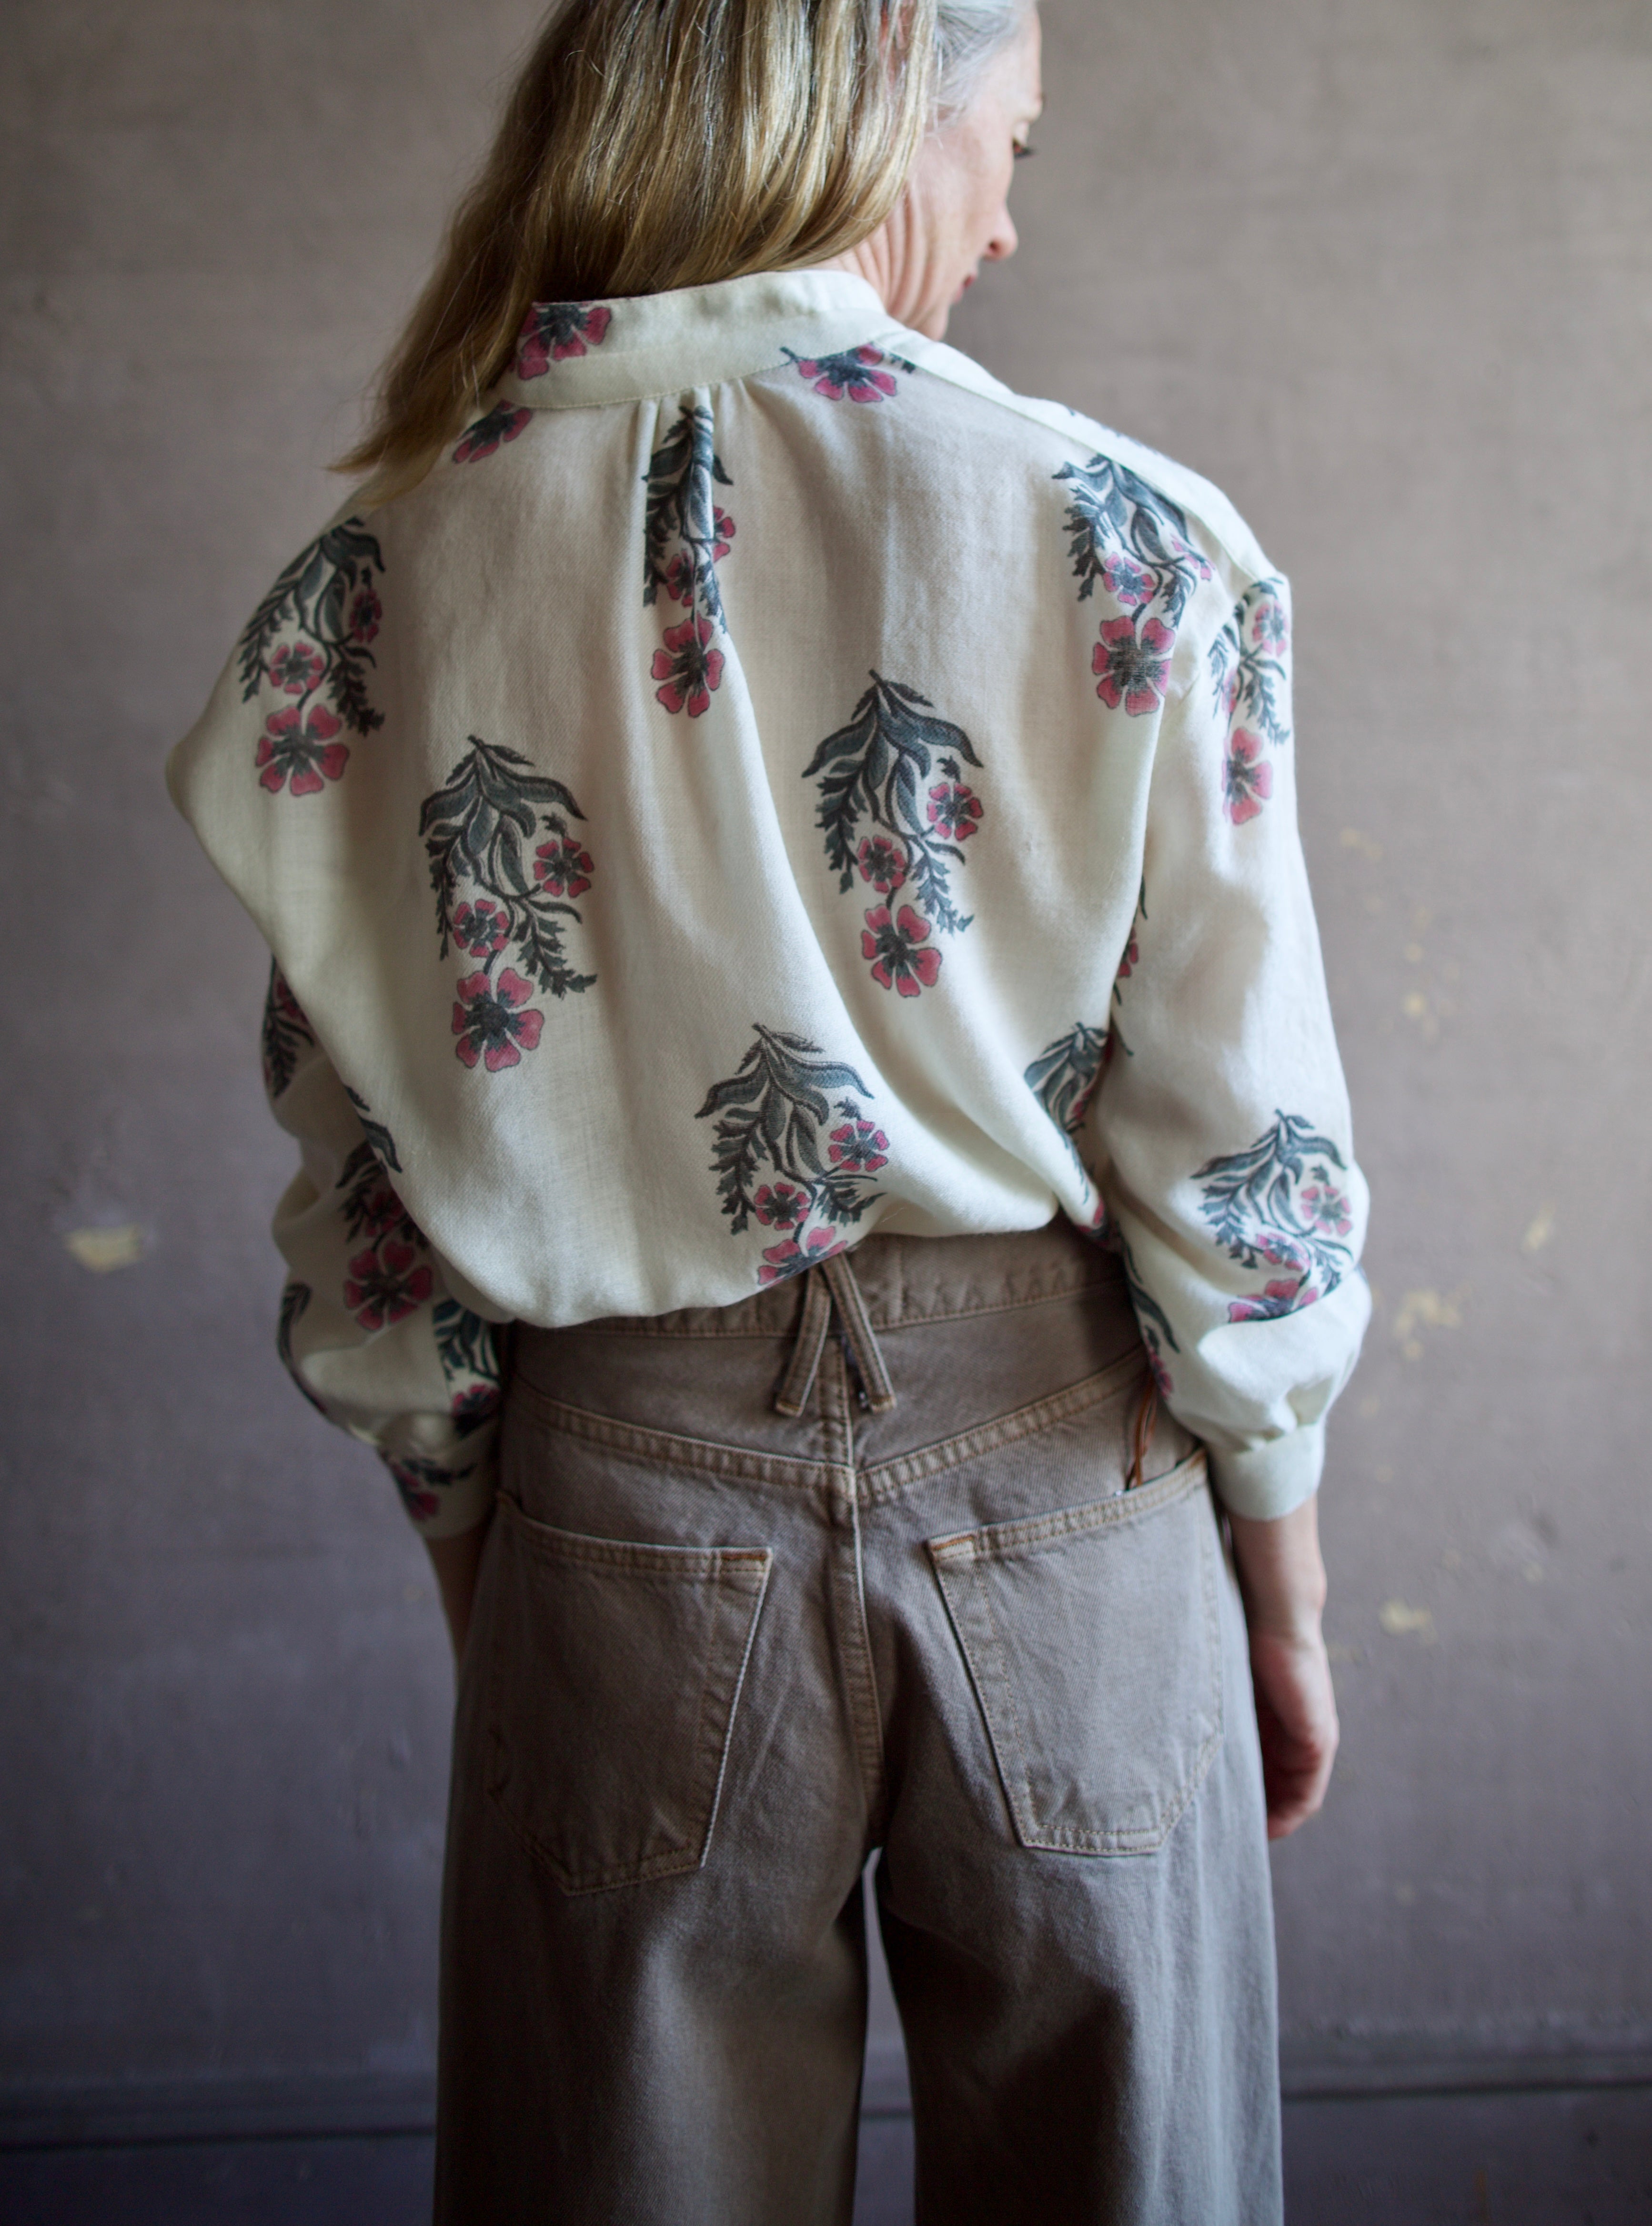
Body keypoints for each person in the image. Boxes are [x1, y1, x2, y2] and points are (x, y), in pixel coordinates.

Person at [168, 1, 1369, 2217]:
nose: (1005, 224)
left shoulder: (388, 578)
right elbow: (1242, 1152)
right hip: (1070, 1476)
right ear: (874, 103)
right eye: (1002, 145)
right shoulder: (1128, 535)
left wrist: (495, 1557)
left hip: (621, 1487)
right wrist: (1279, 1587)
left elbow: (365, 1188)